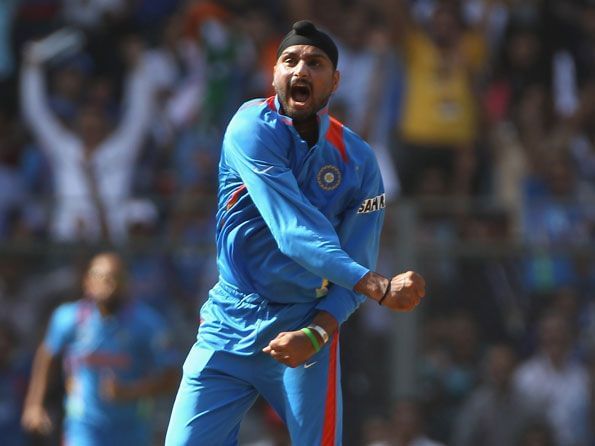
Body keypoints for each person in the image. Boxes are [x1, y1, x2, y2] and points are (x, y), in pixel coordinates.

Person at [165, 20, 426, 446]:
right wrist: (378, 285)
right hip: (230, 320)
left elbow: (356, 261)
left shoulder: (360, 161)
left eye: (315, 62)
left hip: (305, 323)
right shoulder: (249, 127)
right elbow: (292, 231)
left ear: (335, 80)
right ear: (274, 75)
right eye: (290, 60)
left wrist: (317, 333)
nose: (301, 70)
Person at [21, 251, 180, 446]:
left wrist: (131, 391)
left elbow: (171, 375)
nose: (108, 284)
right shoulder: (70, 318)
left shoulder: (148, 325)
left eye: (115, 277)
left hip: (131, 431)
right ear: (87, 281)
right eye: (100, 276)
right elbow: (47, 354)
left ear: (127, 283)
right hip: (83, 428)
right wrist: (34, 404)